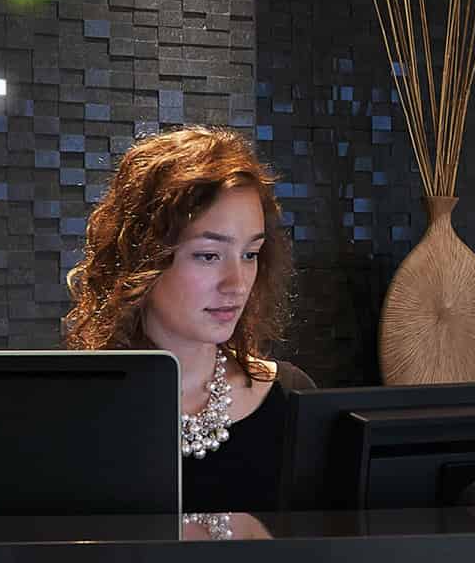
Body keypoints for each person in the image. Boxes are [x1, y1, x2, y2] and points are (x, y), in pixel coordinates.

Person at [64, 125, 313, 513]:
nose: (237, 284)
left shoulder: (292, 399)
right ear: (143, 258)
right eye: (209, 255)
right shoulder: (71, 414)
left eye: (250, 254)